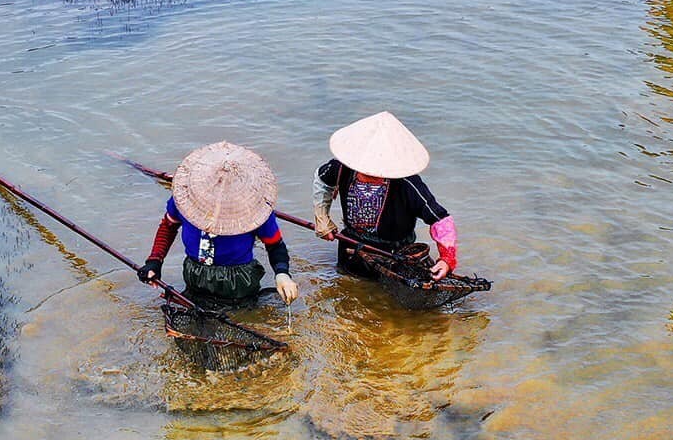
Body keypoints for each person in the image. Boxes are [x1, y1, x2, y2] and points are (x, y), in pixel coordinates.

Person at [137, 142, 298, 305]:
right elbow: (168, 227)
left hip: (237, 280)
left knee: (240, 315)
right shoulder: (185, 198)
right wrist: (155, 261)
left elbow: (275, 245)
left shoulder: (255, 207)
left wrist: (282, 274)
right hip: (195, 273)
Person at [312, 110, 458, 281]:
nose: (364, 174)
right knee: (348, 287)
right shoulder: (343, 168)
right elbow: (322, 179)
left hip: (393, 255)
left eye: (373, 173)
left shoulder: (407, 183)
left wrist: (447, 259)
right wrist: (322, 217)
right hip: (350, 246)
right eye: (362, 169)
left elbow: (440, 219)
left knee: (384, 302)